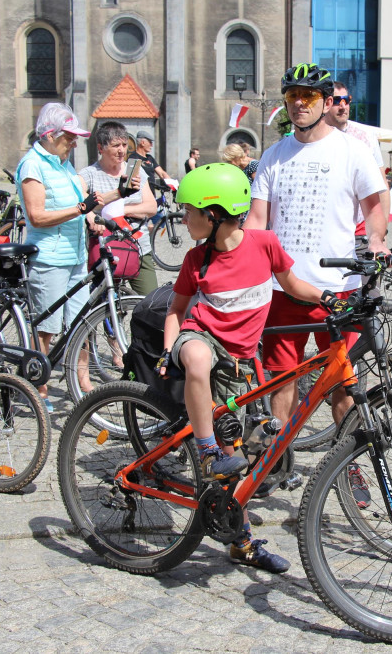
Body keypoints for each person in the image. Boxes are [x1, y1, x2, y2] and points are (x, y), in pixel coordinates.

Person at [159, 162, 340, 572]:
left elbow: (293, 286)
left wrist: (328, 298)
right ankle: (205, 452)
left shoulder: (265, 244)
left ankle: (240, 544)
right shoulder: (194, 260)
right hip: (199, 341)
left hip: (238, 364)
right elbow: (176, 310)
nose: (183, 218)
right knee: (199, 359)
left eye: (189, 210)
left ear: (215, 214)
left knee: (236, 464)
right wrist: (169, 349)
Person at [243, 62, 387, 445]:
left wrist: (376, 240)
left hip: (336, 289)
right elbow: (258, 219)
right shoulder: (273, 155)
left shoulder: (352, 151)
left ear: (325, 102)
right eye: (292, 96)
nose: (299, 103)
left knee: (343, 384)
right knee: (282, 379)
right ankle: (274, 459)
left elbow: (375, 206)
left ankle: (349, 466)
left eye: (308, 96)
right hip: (282, 289)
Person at [17, 102, 103, 412]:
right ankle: (39, 387)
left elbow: (82, 205)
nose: (75, 142)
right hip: (49, 257)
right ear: (50, 135)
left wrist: (91, 218)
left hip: (76, 255)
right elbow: (37, 216)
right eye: (69, 137)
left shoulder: (61, 163)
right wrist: (80, 210)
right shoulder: (33, 165)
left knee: (83, 323)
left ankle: (83, 382)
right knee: (48, 328)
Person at [78, 121, 158, 296]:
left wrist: (121, 210)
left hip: (138, 245)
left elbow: (151, 207)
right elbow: (78, 200)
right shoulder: (89, 174)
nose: (121, 150)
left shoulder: (134, 170)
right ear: (101, 147)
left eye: (124, 145)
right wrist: (91, 216)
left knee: (150, 300)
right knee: (107, 305)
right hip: (105, 248)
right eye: (115, 146)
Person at [324, 81, 389, 238]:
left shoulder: (365, 137)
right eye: (337, 101)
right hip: (327, 229)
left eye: (347, 100)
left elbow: (382, 186)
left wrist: (382, 234)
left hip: (361, 229)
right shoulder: (314, 137)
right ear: (327, 103)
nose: (343, 106)